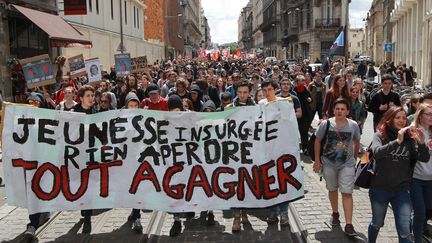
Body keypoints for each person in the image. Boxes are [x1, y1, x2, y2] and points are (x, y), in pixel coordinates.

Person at [368, 106, 429, 243]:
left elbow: (423, 158)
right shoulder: (380, 135)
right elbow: (377, 153)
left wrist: (421, 143)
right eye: (397, 117)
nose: (402, 120)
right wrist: (397, 141)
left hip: (402, 190)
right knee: (377, 223)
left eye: (403, 117)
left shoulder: (410, 139)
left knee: (405, 232)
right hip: (380, 189)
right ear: (390, 119)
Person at [313, 98, 360, 236]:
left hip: (347, 164)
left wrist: (355, 159)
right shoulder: (326, 124)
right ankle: (335, 213)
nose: (340, 111)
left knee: (347, 192)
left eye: (343, 109)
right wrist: (317, 160)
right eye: (337, 109)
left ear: (347, 111)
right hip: (328, 163)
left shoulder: (353, 125)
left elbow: (357, 142)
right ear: (333, 110)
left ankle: (349, 224)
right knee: (332, 189)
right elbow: (317, 141)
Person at [259, 79, 291, 227]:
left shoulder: (284, 103)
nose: (267, 93)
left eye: (270, 89)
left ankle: (284, 212)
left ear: (275, 89)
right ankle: (273, 211)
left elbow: (289, 123)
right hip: (267, 149)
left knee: (283, 181)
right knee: (270, 181)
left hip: (282, 147)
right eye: (264, 90)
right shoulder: (260, 105)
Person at [23, 92, 51, 240]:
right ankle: (32, 224)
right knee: (32, 191)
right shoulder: (19, 119)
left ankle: (44, 210)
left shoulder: (48, 117)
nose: (33, 104)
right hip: (28, 162)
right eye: (30, 102)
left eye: (36, 102)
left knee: (44, 189)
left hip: (46, 162)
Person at [71, 85, 97, 233]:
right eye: (88, 95)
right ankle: (83, 207)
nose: (91, 98)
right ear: (80, 98)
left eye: (92, 95)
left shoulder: (96, 113)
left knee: (89, 186)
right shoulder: (73, 113)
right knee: (79, 185)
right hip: (77, 155)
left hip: (92, 155)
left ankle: (88, 217)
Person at [410, 104, 432, 242]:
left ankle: (414, 226)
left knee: (429, 209)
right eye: (428, 114)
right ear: (420, 115)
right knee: (420, 211)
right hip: (416, 178)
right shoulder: (414, 130)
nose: (431, 117)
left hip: (430, 179)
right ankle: (416, 238)